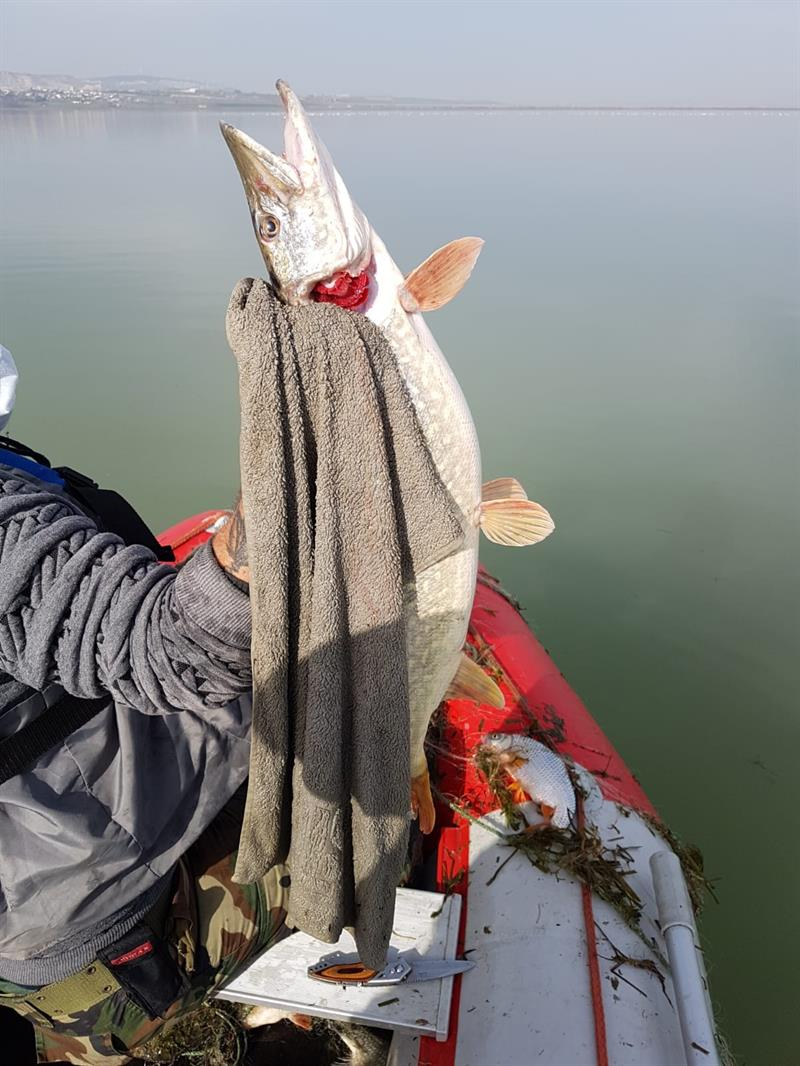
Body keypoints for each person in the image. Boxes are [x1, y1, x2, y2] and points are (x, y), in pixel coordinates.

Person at [0, 347, 290, 1064]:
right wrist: (288, 479)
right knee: (372, 790)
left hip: (30, 926)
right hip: (108, 945)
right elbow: (181, 651)